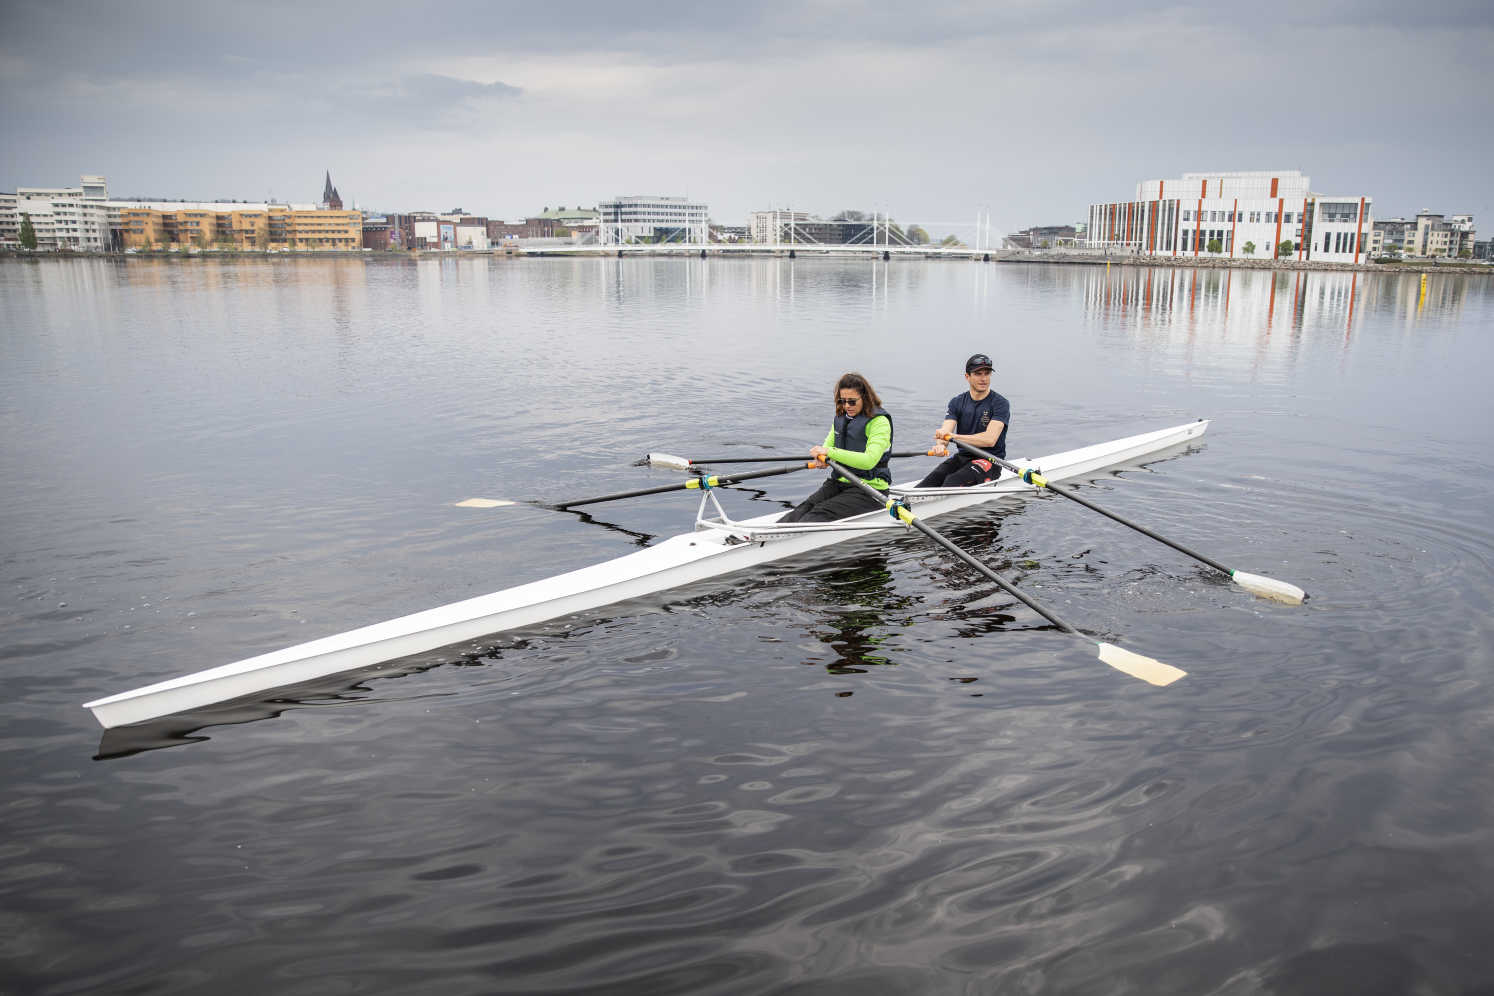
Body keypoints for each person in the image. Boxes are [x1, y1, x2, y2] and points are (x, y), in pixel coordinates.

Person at [781, 372, 894, 522]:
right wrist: (821, 458)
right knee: (801, 510)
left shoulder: (879, 422)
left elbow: (868, 461)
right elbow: (827, 446)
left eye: (852, 402)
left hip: (869, 490)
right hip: (839, 482)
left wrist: (828, 452)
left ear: (865, 397)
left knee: (816, 515)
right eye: (843, 401)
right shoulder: (841, 418)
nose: (846, 406)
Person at [918, 353, 1010, 488]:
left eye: (987, 374)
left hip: (990, 461)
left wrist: (954, 437)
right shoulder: (957, 402)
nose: (984, 378)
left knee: (951, 482)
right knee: (927, 484)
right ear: (967, 376)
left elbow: (989, 440)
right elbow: (946, 431)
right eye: (978, 374)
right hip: (963, 458)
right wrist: (941, 445)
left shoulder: (1000, 403)